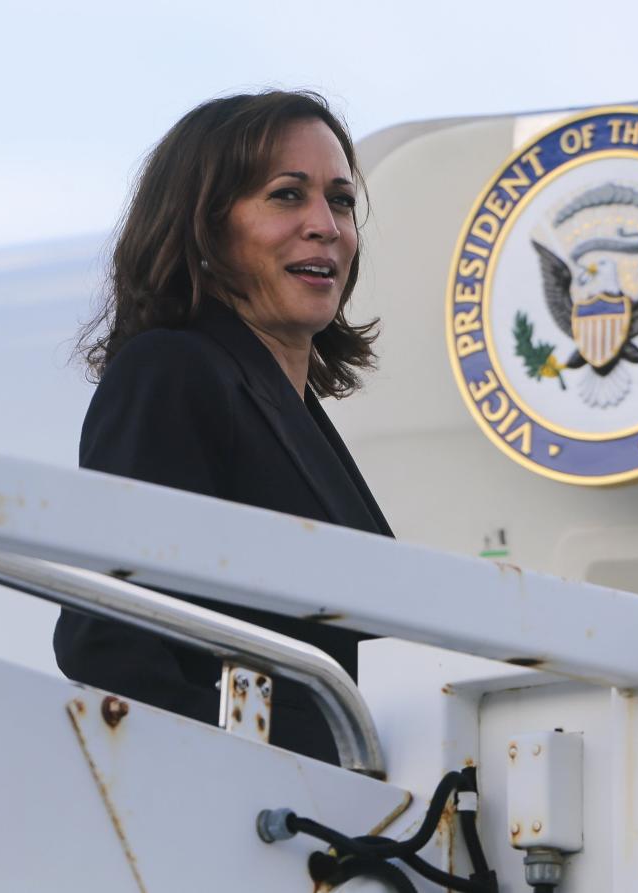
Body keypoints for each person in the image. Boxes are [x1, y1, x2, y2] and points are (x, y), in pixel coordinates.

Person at [53, 91, 391, 765]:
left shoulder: (288, 408)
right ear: (205, 228)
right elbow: (114, 645)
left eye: (341, 200)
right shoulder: (173, 370)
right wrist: (299, 769)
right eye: (287, 195)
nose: (326, 224)